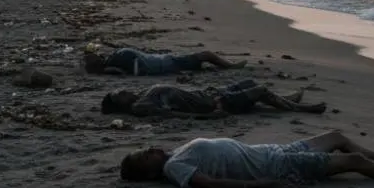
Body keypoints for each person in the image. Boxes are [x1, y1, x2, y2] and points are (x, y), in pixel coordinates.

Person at [119, 130, 374, 188]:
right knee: (351, 160)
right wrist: (266, 185)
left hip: (273, 151)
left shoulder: (175, 153)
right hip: (276, 167)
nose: (148, 149)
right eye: (142, 156)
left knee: (335, 136)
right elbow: (214, 184)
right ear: (148, 173)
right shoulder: (173, 168)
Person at [101, 79, 326, 118]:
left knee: (249, 84)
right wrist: (211, 116)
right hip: (214, 103)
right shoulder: (142, 106)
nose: (123, 91)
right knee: (259, 91)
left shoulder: (141, 96)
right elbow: (173, 115)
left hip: (210, 94)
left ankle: (287, 99)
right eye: (119, 95)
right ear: (119, 105)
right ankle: (300, 108)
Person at [84, 47, 246, 76]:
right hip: (165, 63)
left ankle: (222, 66)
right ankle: (230, 66)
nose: (97, 54)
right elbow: (128, 71)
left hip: (163, 61)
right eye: (95, 56)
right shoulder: (113, 63)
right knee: (206, 54)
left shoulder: (112, 60)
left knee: (199, 61)